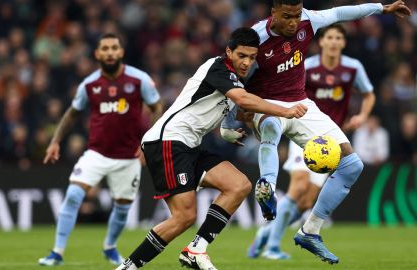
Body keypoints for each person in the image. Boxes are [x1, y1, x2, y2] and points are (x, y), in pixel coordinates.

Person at [220, 0, 410, 264]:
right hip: (266, 104)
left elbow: (342, 13)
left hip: (302, 105)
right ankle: (268, 187)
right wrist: (228, 123)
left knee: (351, 165)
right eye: (286, 16)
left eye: (296, 16)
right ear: (273, 13)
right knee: (272, 128)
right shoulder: (257, 36)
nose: (293, 22)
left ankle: (310, 231)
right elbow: (230, 79)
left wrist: (382, 8)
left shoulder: (309, 20)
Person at [115, 27, 307, 270]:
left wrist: (241, 127)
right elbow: (243, 101)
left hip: (190, 146)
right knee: (184, 217)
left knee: (239, 185)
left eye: (251, 57)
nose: (246, 62)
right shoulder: (217, 67)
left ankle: (196, 249)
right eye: (241, 56)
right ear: (229, 52)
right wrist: (286, 111)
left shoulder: (236, 80)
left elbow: (239, 111)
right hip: (168, 142)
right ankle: (127, 268)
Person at [246, 24, 376, 260]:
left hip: (328, 140)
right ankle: (273, 247)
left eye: (339, 38)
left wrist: (363, 116)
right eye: (330, 37)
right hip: (303, 129)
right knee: (298, 188)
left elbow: (369, 93)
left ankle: (266, 232)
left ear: (343, 43)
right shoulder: (306, 65)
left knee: (306, 200)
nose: (334, 42)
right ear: (322, 42)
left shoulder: (353, 68)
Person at [38, 33, 163, 266]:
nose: (109, 52)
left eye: (114, 48)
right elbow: (72, 113)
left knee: (122, 208)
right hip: (96, 153)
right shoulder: (89, 84)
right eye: (104, 48)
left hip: (129, 157)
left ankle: (109, 247)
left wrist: (148, 144)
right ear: (97, 54)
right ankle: (57, 252)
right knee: (74, 194)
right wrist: (55, 141)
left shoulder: (139, 79)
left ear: (121, 52)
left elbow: (157, 108)